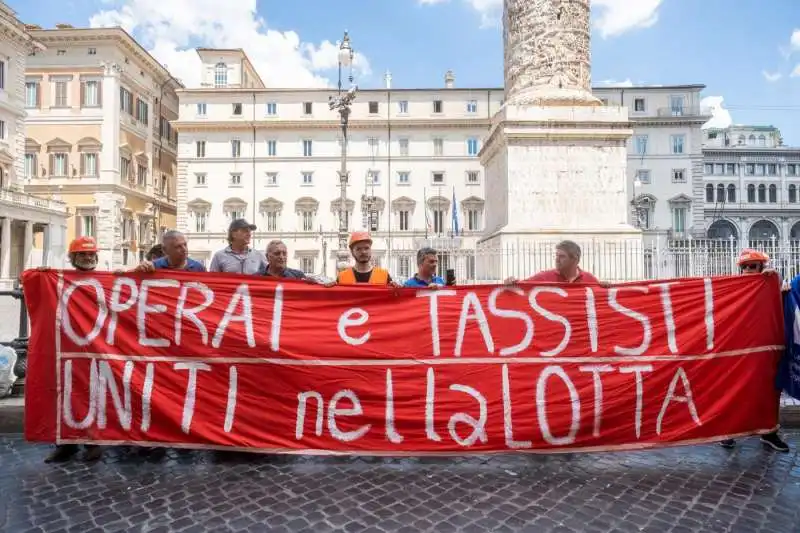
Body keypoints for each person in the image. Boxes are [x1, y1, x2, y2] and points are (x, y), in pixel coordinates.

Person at [719, 249, 789, 452]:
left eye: (754, 266)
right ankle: (729, 432)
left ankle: (768, 433)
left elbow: (783, 295)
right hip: (737, 350)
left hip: (765, 349)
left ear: (762, 267)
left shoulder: (770, 283)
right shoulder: (732, 287)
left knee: (767, 391)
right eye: (746, 267)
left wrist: (774, 276)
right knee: (734, 391)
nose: (749, 270)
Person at [44, 237, 104, 463]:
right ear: (73, 258)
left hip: (95, 348)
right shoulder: (60, 280)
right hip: (68, 346)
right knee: (64, 394)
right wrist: (41, 276)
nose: (88, 258)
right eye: (82, 255)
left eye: (90, 254)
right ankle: (65, 445)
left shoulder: (106, 281)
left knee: (93, 395)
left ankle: (93, 443)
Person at [505, 240, 600, 285]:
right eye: (556, 255)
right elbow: (522, 286)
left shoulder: (590, 279)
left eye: (562, 256)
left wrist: (606, 288)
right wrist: (511, 282)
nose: (557, 259)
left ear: (575, 259)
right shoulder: (544, 277)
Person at [261, 239, 333, 286]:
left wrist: (321, 285)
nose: (282, 257)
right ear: (267, 257)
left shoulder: (298, 276)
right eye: (277, 253)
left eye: (284, 253)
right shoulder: (257, 277)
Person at [134, 230, 205, 272]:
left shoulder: (198, 268)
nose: (184, 249)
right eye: (178, 246)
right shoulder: (153, 267)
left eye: (185, 244)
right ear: (165, 250)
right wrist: (138, 270)